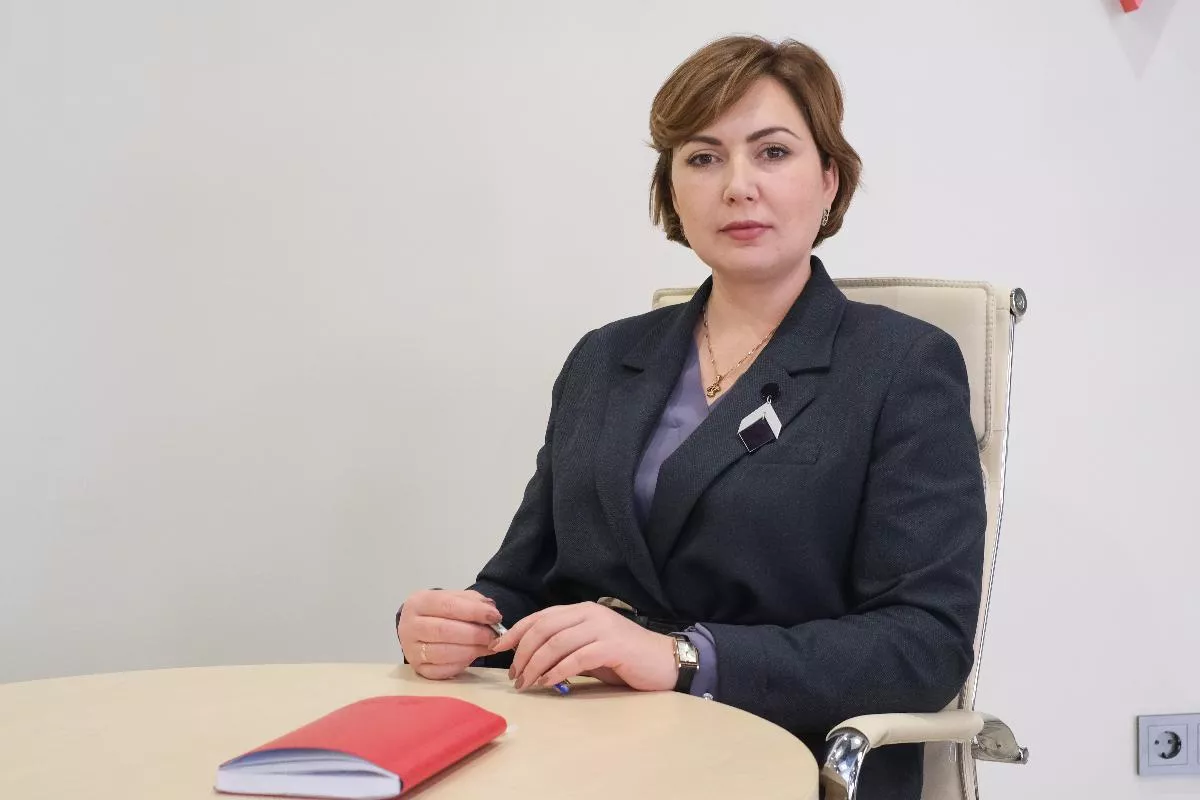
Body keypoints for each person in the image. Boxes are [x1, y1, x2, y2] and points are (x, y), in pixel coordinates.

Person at [395, 34, 984, 799]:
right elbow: (524, 583)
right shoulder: (604, 359)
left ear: (829, 181)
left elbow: (923, 644)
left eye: (773, 152)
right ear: (671, 192)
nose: (737, 186)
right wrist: (457, 626)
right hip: (583, 750)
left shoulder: (901, 365)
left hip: (779, 758)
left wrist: (682, 658)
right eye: (703, 158)